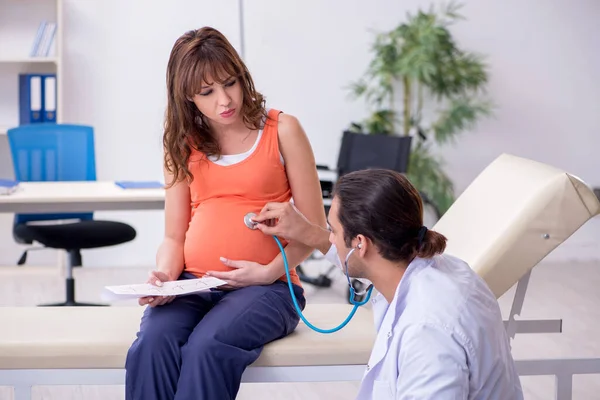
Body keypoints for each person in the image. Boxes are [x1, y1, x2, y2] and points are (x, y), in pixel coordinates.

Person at [124, 26, 327, 400]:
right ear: (187, 97)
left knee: (206, 346)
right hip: (192, 284)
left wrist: (265, 274)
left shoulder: (282, 130)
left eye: (229, 83)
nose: (224, 100)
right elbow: (173, 236)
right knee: (151, 344)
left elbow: (316, 230)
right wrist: (166, 279)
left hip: (272, 289)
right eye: (207, 92)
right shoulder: (182, 146)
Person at [250, 169, 524, 400]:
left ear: (361, 243)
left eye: (333, 231)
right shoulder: (443, 268)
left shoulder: (427, 332)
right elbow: (354, 254)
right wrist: (308, 232)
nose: (330, 239)